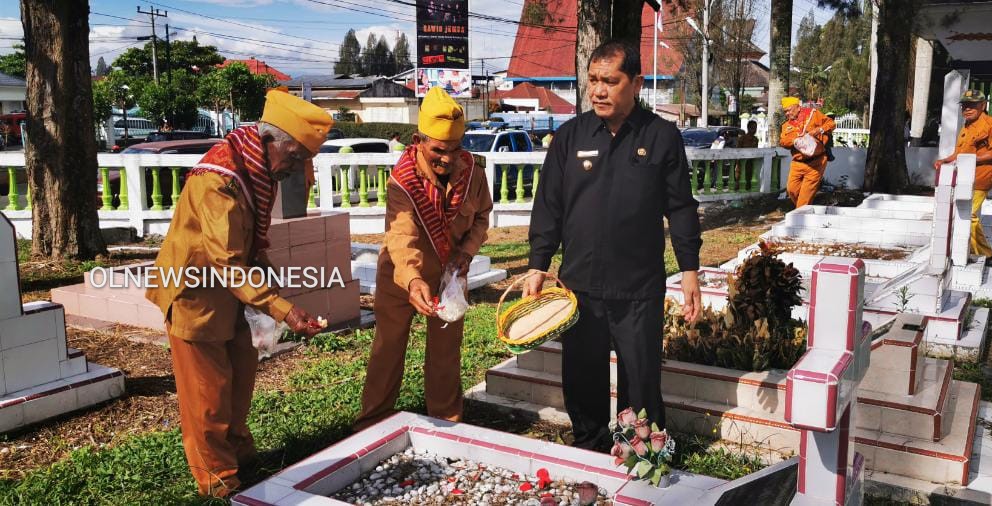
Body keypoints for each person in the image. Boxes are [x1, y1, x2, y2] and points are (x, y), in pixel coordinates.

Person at [145, 89, 332, 497]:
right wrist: (283, 309)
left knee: (239, 382)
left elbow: (248, 246)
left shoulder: (258, 168)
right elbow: (226, 261)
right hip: (195, 296)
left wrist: (270, 288)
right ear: (270, 140)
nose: (296, 169)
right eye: (295, 157)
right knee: (207, 396)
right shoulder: (220, 180)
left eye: (304, 160)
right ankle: (218, 480)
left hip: (233, 296)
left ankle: (240, 455)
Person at [523, 40, 702, 451]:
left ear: (636, 83)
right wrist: (537, 264)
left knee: (641, 383)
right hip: (579, 288)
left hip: (639, 288)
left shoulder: (661, 137)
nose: (598, 90)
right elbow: (548, 206)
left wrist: (689, 269)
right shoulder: (570, 137)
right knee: (583, 380)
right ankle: (589, 450)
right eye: (593, 80)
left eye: (610, 81)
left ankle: (642, 456)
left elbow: (681, 208)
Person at [354, 87, 493, 431]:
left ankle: (446, 422)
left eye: (455, 149)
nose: (448, 159)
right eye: (438, 150)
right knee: (388, 348)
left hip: (450, 276)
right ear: (418, 140)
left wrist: (466, 253)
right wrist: (414, 279)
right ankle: (372, 423)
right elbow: (401, 235)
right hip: (402, 275)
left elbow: (481, 217)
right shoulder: (403, 180)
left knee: (446, 353)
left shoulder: (473, 172)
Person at [933, 89, 992, 262]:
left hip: (982, 176)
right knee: (964, 213)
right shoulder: (966, 126)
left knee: (969, 214)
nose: (967, 109)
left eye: (972, 105)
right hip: (965, 176)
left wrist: (971, 160)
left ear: (983, 105)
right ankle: (971, 248)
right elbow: (959, 152)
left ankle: (986, 253)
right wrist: (945, 160)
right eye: (964, 105)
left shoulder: (991, 124)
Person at [778, 97, 835, 208]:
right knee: (791, 191)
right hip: (797, 163)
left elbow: (831, 124)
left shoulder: (813, 115)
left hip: (816, 163)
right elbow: (783, 142)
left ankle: (801, 215)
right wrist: (795, 140)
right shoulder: (786, 126)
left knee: (804, 199)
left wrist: (819, 130)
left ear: (798, 107)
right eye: (785, 111)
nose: (787, 113)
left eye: (789, 110)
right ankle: (806, 210)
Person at [735, 120, 759, 191]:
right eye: (752, 128)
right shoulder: (742, 138)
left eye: (755, 128)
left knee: (749, 183)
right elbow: (738, 151)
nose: (754, 130)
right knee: (739, 184)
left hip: (751, 165)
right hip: (741, 165)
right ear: (748, 128)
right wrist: (737, 165)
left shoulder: (756, 139)